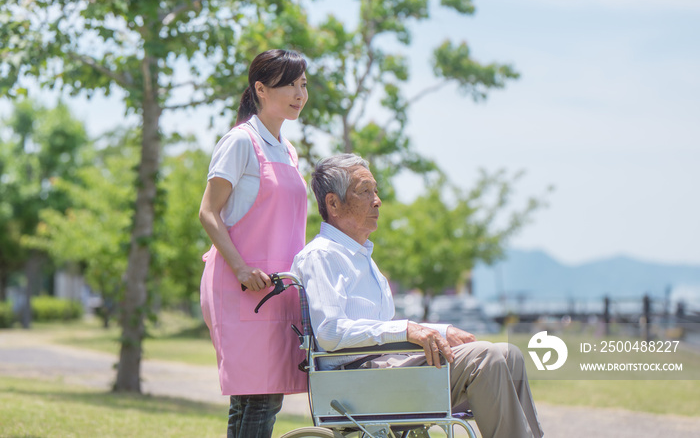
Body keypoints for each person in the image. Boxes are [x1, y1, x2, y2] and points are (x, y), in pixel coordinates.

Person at [291, 154, 544, 438]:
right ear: (333, 204)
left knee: (510, 355)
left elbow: (379, 328)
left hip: (383, 368)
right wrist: (409, 329)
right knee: (487, 358)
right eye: (364, 191)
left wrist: (440, 330)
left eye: (375, 190)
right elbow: (330, 331)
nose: (377, 201)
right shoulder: (321, 255)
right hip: (358, 382)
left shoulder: (360, 258)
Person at [199, 49, 309, 438]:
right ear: (261, 89)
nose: (299, 93)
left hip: (278, 289)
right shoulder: (239, 142)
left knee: (252, 398)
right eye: (289, 84)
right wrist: (242, 269)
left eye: (303, 84)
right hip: (242, 284)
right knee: (260, 397)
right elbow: (208, 212)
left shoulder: (289, 150)